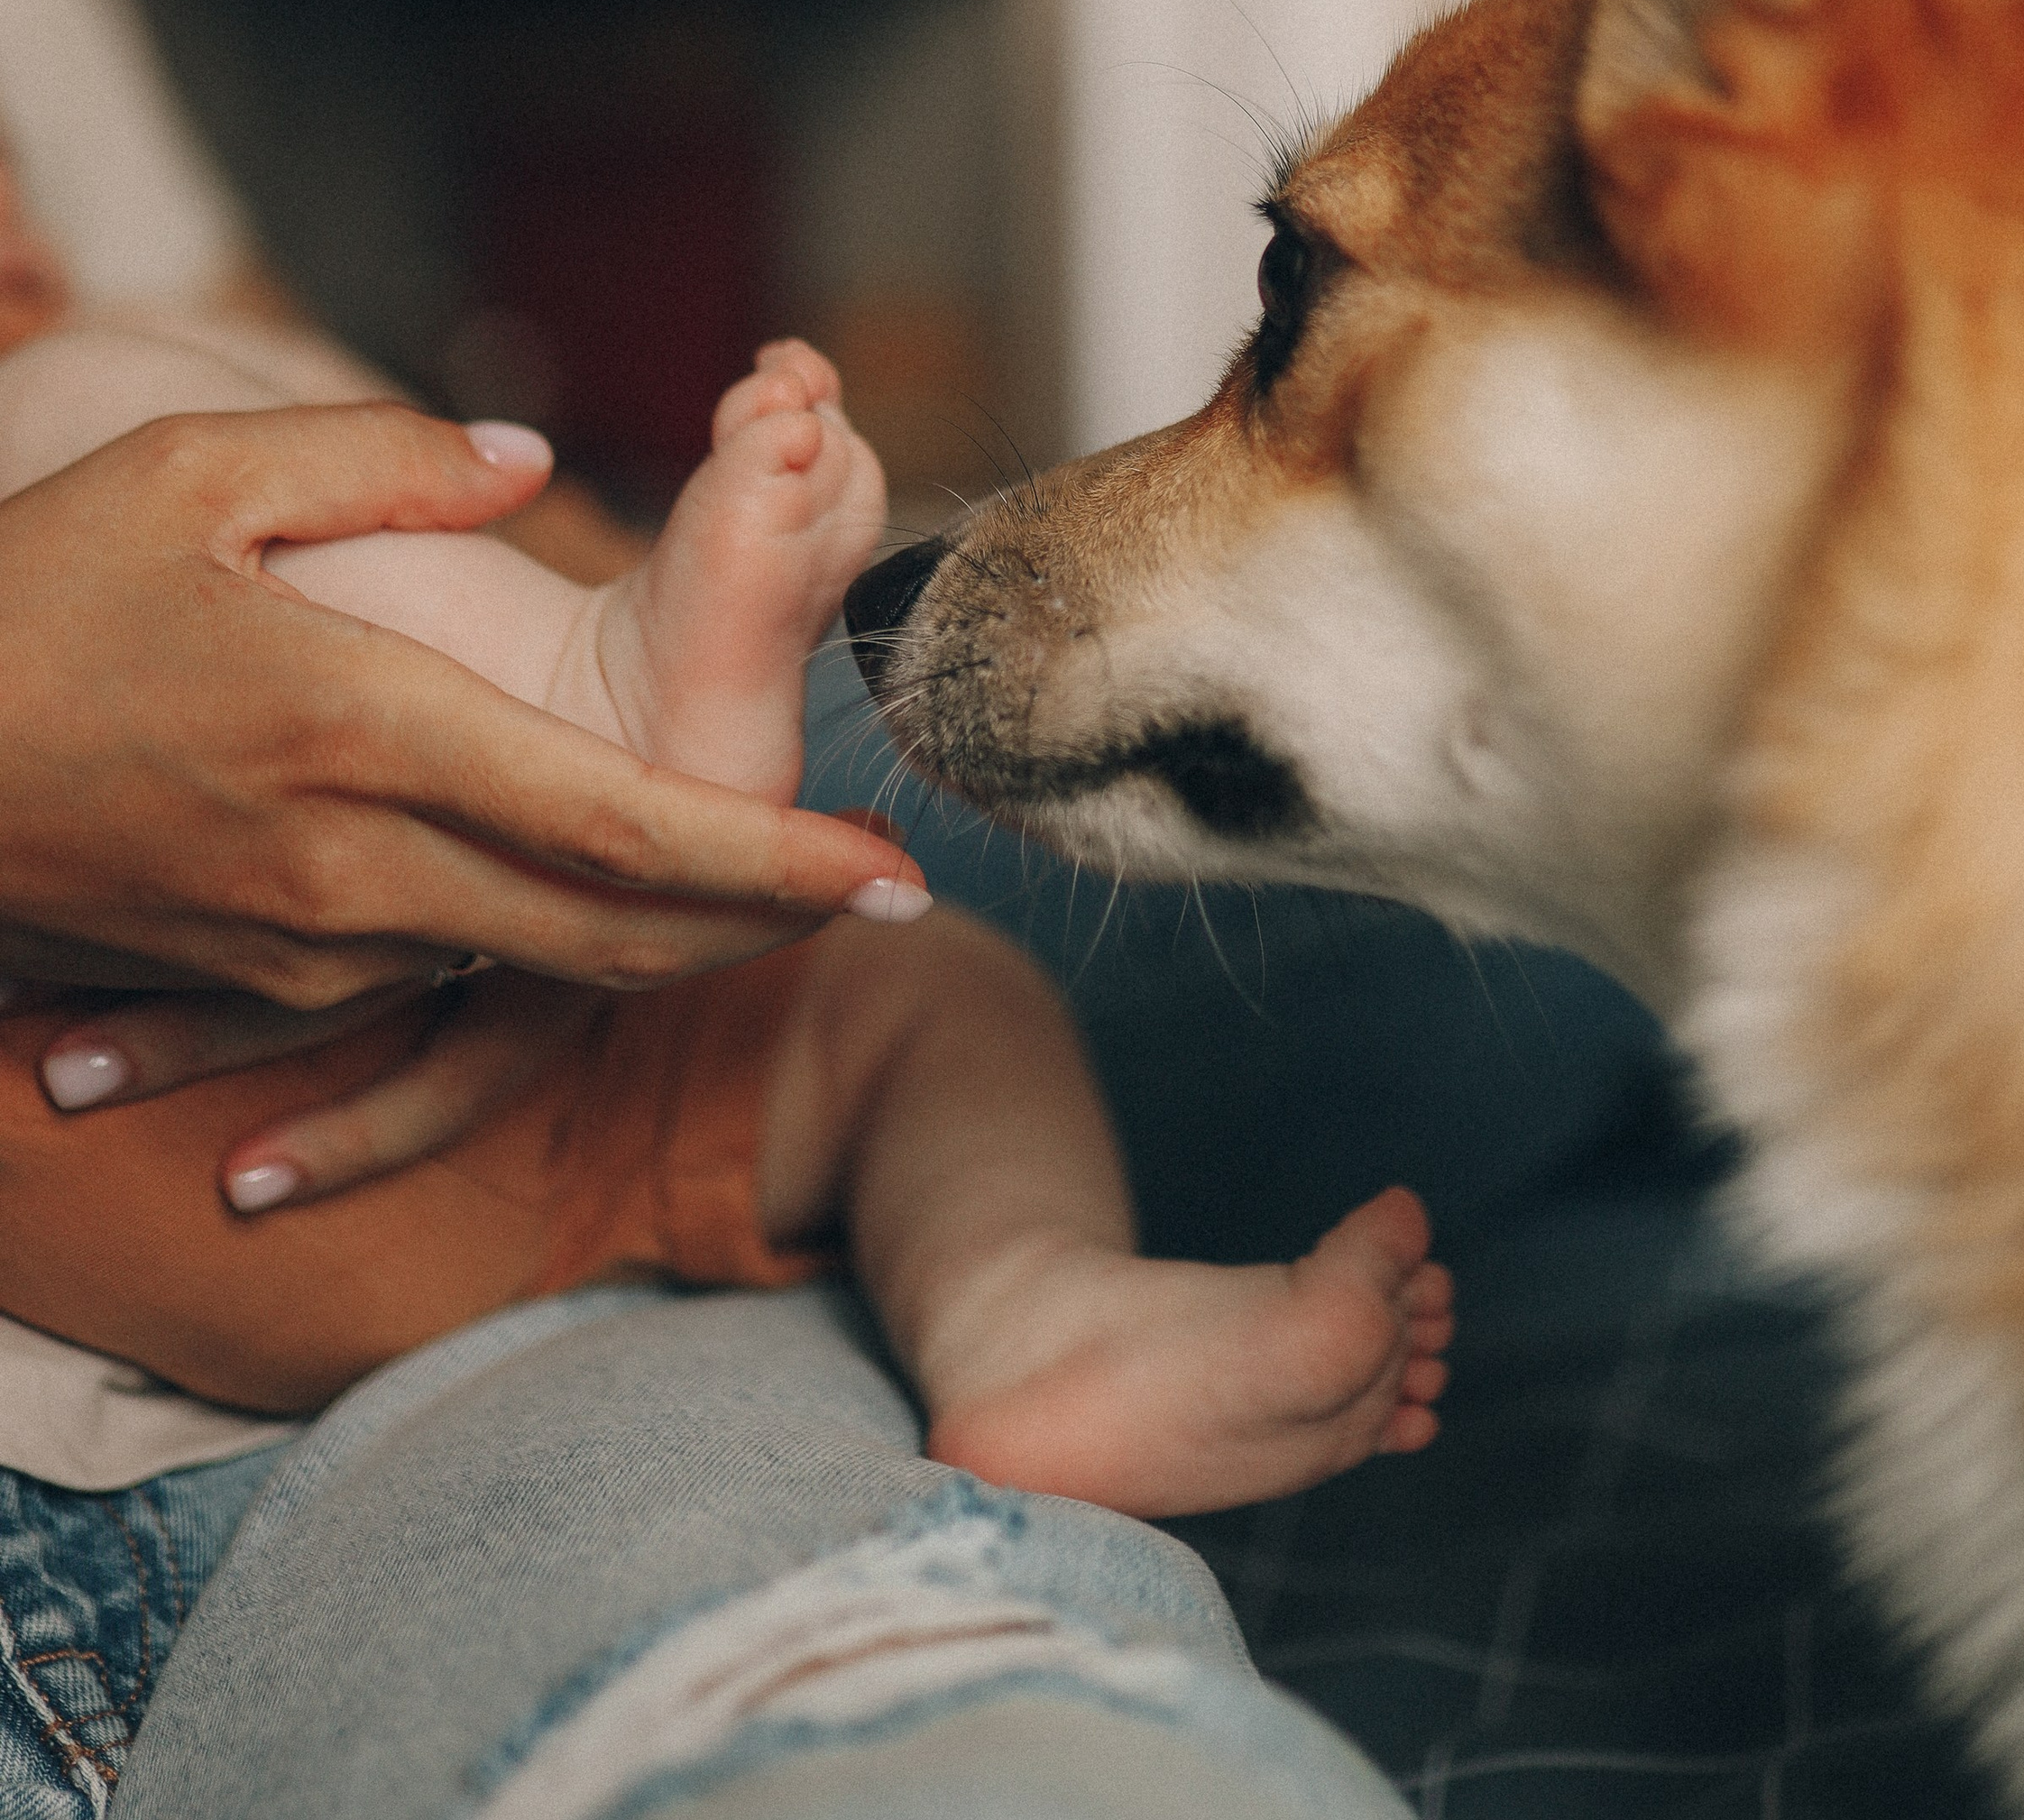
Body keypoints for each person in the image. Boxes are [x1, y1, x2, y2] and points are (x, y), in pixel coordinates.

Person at [0, 253, 1452, 1514]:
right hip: (148, 1073)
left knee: (940, 993)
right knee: (101, 406)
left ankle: (1029, 1308)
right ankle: (598, 694)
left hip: (454, 1124)